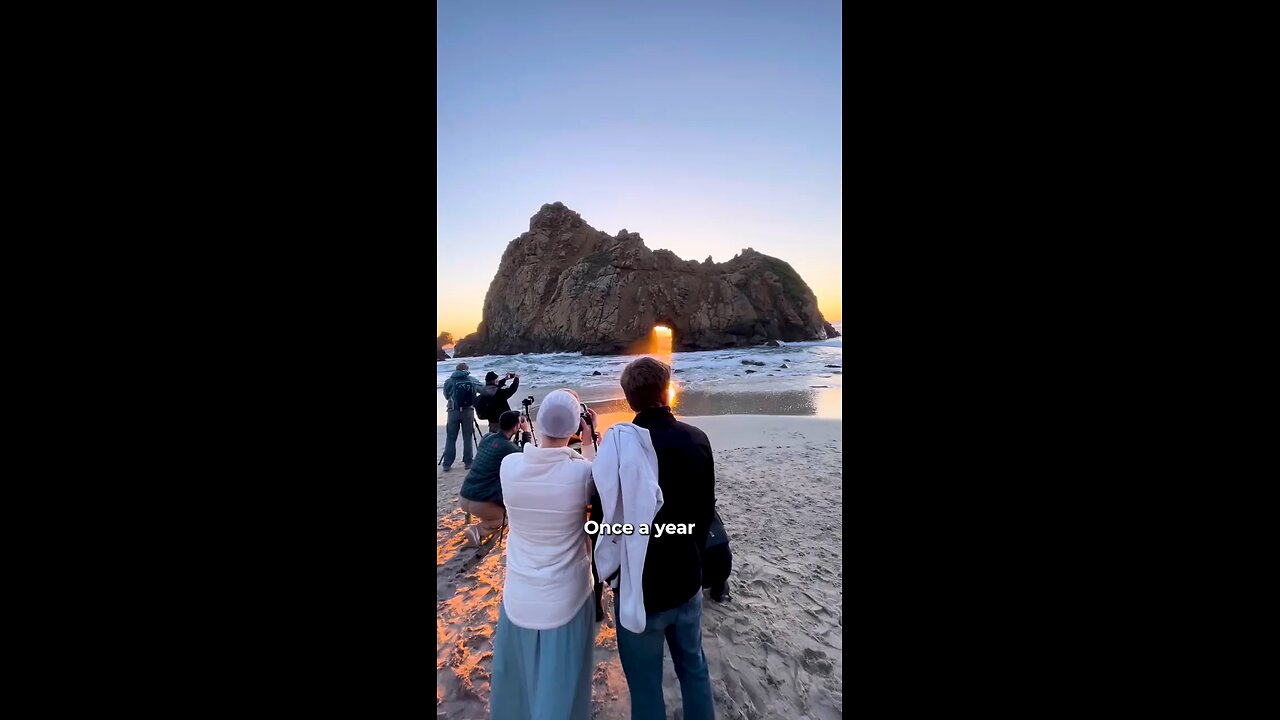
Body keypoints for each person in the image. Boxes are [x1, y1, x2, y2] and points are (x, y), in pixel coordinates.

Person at [611, 357, 717, 720]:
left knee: (645, 689)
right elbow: (706, 512)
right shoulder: (696, 439)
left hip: (641, 589)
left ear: (629, 400)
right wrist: (695, 557)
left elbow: (608, 522)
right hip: (687, 577)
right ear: (666, 391)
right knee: (694, 669)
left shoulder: (620, 449)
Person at [490, 389, 599, 720]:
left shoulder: (510, 466)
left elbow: (529, 453)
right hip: (567, 598)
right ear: (574, 429)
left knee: (518, 689)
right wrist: (590, 437)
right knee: (563, 691)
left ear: (536, 421)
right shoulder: (581, 473)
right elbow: (596, 475)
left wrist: (528, 436)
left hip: (519, 596)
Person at [459, 410, 531, 546]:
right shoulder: (507, 447)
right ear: (516, 427)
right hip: (479, 502)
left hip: (464, 496)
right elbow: (526, 457)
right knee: (507, 518)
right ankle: (477, 530)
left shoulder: (487, 437)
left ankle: (472, 517)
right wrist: (526, 432)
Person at [441, 362, 483, 471]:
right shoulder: (471, 379)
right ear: (466, 369)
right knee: (467, 437)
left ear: (456, 369)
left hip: (453, 411)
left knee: (451, 438)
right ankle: (468, 462)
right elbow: (483, 390)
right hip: (468, 411)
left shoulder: (449, 381)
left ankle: (447, 464)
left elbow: (446, 396)